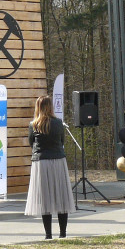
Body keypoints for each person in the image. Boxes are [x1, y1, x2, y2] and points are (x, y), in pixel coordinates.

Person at [24, 95, 72, 240]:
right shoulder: (58, 123)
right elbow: (62, 141)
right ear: (50, 106)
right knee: (61, 197)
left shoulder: (33, 124)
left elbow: (31, 143)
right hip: (58, 161)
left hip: (41, 162)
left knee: (45, 199)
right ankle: (63, 233)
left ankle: (48, 234)